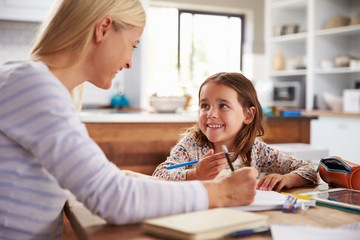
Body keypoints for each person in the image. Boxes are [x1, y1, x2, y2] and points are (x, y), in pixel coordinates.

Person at [0, 1, 258, 239]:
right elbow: (113, 198)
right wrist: (222, 193)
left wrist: (142, 181)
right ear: (103, 29)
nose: (129, 62)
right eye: (132, 45)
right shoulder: (33, 86)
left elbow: (103, 182)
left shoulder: (34, 84)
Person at [153, 72, 319, 191]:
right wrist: (195, 174)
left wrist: (287, 179)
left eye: (223, 106)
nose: (210, 114)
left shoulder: (257, 150)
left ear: (248, 114)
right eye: (205, 106)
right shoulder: (191, 145)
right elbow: (159, 175)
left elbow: (309, 170)